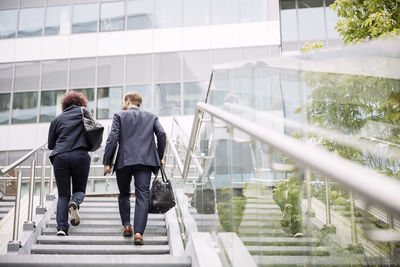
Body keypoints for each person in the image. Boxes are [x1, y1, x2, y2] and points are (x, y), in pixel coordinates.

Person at [103, 92, 166, 245]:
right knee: (142, 195)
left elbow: (112, 138)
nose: (122, 104)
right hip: (145, 162)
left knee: (124, 193)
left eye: (123, 100)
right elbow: (162, 134)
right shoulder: (151, 117)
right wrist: (159, 156)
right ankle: (138, 233)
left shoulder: (119, 116)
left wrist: (107, 162)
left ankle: (126, 225)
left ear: (129, 101)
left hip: (124, 161)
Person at [48, 91, 92, 236]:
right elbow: (93, 132)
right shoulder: (85, 114)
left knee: (62, 195)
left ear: (64, 105)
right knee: (79, 190)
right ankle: (75, 203)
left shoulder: (57, 120)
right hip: (80, 155)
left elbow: (50, 145)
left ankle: (61, 228)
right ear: (82, 103)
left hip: (60, 156)